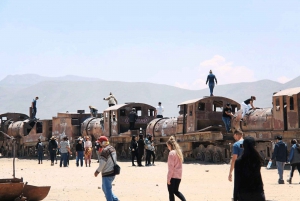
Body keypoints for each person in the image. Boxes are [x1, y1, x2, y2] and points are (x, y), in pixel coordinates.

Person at [234, 136, 265, 201]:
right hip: (258, 193)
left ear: (243, 146)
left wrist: (235, 197)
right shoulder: (257, 159)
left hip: (244, 194)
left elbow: (237, 180)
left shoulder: (239, 161)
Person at [94, 136, 119, 201]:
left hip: (107, 173)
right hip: (113, 171)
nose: (98, 144)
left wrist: (97, 171)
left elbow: (102, 163)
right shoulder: (112, 148)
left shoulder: (105, 151)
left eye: (99, 143)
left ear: (103, 143)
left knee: (107, 190)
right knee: (105, 188)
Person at [166, 136, 186, 201]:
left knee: (171, 193)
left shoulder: (171, 153)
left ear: (170, 145)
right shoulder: (178, 152)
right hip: (178, 176)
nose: (168, 147)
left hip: (173, 176)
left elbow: (171, 168)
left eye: (168, 146)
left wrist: (168, 178)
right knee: (176, 191)